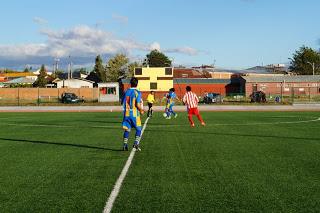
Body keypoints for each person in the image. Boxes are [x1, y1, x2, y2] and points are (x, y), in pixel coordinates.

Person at [121, 77, 144, 151]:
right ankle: (136, 143)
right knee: (139, 129)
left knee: (127, 129)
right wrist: (141, 110)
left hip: (126, 113)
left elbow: (122, 102)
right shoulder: (137, 92)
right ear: (137, 84)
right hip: (134, 114)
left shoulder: (126, 91)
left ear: (130, 83)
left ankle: (125, 145)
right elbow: (137, 104)